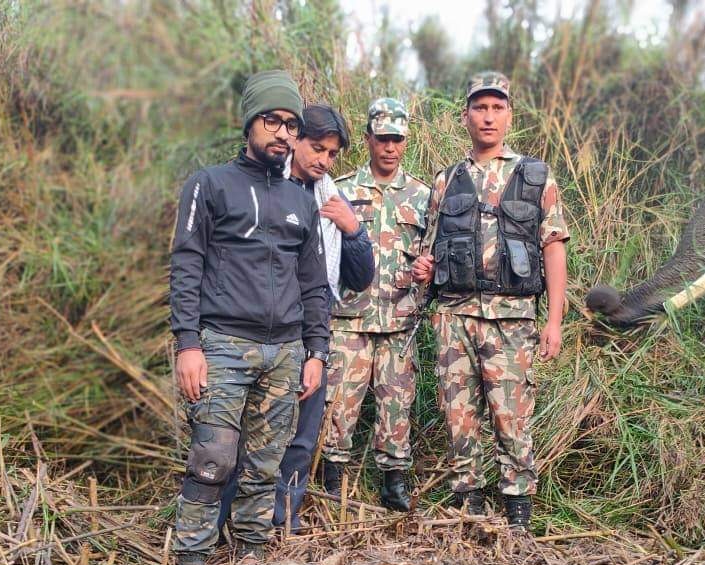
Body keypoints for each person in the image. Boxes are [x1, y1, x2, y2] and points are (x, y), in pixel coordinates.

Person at [157, 70, 331, 565]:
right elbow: (187, 264)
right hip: (223, 345)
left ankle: (252, 563)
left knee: (264, 466)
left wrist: (315, 351)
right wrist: (188, 344)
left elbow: (314, 284)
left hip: (284, 352)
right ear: (250, 123)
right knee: (212, 460)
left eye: (291, 125)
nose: (282, 133)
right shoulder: (209, 185)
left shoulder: (300, 200)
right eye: (272, 121)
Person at [412, 72, 568, 531]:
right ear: (466, 116)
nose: (488, 116)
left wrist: (553, 321)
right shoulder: (447, 180)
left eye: (497, 108)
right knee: (458, 413)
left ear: (509, 116)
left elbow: (554, 247)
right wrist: (423, 268)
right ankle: (469, 501)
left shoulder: (535, 175)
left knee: (511, 413)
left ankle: (518, 507)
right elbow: (429, 247)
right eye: (480, 107)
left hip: (512, 319)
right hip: (454, 316)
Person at [218, 103, 376, 533]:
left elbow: (360, 278)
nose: (323, 161)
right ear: (295, 139)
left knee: (301, 438)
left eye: (331, 154)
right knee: (243, 435)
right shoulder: (266, 186)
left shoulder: (330, 197)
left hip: (311, 327)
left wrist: (354, 231)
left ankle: (282, 524)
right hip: (256, 328)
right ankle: (223, 526)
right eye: (317, 148)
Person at [322, 98, 432, 511]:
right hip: (349, 318)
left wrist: (427, 267)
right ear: (367, 139)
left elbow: (432, 251)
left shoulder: (423, 195)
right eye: (382, 138)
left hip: (400, 318)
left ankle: (393, 485)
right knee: (338, 405)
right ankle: (331, 484)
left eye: (397, 139)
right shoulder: (342, 190)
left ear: (406, 141)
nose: (389, 147)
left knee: (396, 406)